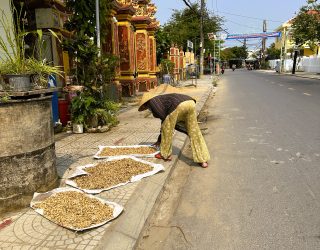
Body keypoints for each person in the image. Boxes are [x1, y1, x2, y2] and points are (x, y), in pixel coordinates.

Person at [138, 91, 210, 168]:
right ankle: (203, 160)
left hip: (178, 105)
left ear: (146, 103)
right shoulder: (160, 99)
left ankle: (166, 155)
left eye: (145, 107)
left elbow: (164, 121)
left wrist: (160, 139)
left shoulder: (152, 102)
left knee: (166, 130)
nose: (146, 109)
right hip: (190, 103)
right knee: (194, 131)